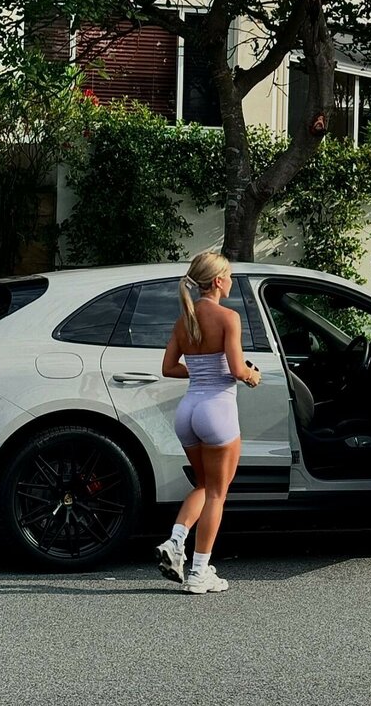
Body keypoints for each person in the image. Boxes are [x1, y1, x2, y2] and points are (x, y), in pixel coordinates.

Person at [155, 251, 261, 594]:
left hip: (187, 411)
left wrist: (200, 372)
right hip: (216, 410)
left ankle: (175, 541)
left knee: (202, 485)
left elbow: (168, 368)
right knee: (217, 493)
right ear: (217, 281)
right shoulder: (228, 317)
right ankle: (199, 573)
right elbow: (237, 369)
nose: (231, 281)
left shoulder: (183, 321)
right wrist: (253, 376)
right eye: (228, 275)